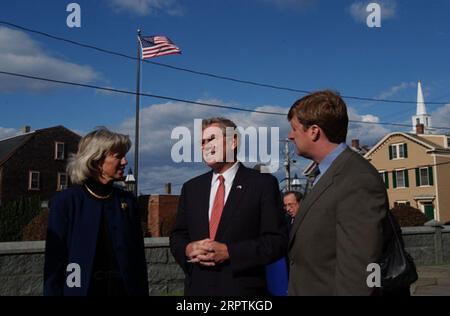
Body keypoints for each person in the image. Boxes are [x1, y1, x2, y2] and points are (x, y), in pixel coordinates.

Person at [287, 90, 390, 296]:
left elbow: (362, 269)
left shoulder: (357, 178)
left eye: (294, 129)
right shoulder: (324, 173)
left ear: (314, 131)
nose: (290, 135)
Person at [170, 117, 288, 296]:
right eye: (202, 142)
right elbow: (178, 236)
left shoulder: (262, 184)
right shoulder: (191, 188)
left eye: (211, 139)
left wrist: (230, 252)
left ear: (233, 142)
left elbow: (276, 241)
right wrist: (188, 249)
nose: (205, 146)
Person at [44, 127, 148, 296]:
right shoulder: (65, 202)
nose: (124, 162)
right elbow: (54, 263)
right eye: (118, 156)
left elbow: (138, 260)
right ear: (96, 161)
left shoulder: (128, 201)